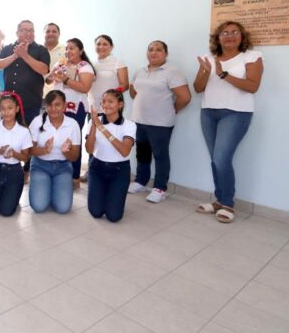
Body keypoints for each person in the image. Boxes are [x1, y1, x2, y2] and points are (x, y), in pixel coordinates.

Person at [193, 21, 263, 223]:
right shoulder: (208, 58)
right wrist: (206, 72)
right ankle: (219, 200)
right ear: (218, 37)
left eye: (234, 32)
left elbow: (252, 86)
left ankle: (227, 204)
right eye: (224, 32)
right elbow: (198, 88)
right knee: (215, 158)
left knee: (222, 158)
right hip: (208, 112)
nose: (229, 35)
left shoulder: (252, 56)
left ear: (242, 36)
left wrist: (223, 73)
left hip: (236, 113)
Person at [129, 41, 191, 203]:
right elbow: (133, 91)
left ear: (166, 54)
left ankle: (160, 188)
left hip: (160, 123)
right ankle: (141, 181)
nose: (153, 53)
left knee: (160, 155)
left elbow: (185, 97)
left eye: (158, 50)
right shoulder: (139, 72)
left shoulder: (172, 73)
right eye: (150, 49)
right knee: (142, 153)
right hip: (139, 120)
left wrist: (173, 109)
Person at [47, 38, 95, 187]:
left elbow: (84, 87)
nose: (68, 51)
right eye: (66, 48)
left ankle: (74, 176)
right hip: (57, 107)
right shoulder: (60, 64)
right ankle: (57, 171)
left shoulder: (84, 66)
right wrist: (51, 75)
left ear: (80, 50)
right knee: (57, 138)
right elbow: (49, 81)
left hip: (76, 108)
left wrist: (65, 79)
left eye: (72, 48)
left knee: (73, 141)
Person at [85, 90, 136, 223]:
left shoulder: (129, 125)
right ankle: (105, 194)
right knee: (96, 212)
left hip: (119, 170)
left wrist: (102, 128)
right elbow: (89, 149)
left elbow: (125, 151)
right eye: (103, 101)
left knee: (114, 216)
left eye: (111, 101)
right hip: (97, 168)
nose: (106, 105)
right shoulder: (94, 121)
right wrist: (94, 126)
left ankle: (112, 194)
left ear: (120, 105)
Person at [28, 90, 81, 213]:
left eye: (57, 104)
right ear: (45, 106)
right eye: (49, 105)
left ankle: (52, 187)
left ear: (65, 106)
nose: (53, 109)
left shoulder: (73, 124)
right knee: (39, 207)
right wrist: (44, 150)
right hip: (40, 166)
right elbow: (29, 151)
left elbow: (74, 157)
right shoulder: (37, 121)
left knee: (63, 208)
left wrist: (66, 152)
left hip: (63, 167)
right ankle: (46, 187)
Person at [0, 20, 50, 134]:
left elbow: (44, 69)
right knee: (8, 135)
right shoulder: (8, 48)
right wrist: (15, 56)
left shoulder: (41, 50)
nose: (29, 33)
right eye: (25, 30)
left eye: (31, 30)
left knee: (30, 136)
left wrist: (24, 55)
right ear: (17, 32)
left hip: (31, 104)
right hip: (9, 104)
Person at [0, 92, 33, 216]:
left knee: (6, 211)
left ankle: (12, 195)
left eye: (10, 108)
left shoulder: (24, 131)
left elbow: (26, 157)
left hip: (14, 172)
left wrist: (14, 154)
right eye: (3, 109)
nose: (6, 112)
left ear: (16, 109)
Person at [88, 35, 129, 113]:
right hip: (93, 107)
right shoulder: (90, 64)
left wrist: (111, 96)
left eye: (105, 44)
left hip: (111, 108)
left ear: (111, 47)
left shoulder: (118, 62)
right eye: (98, 44)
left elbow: (125, 85)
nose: (101, 47)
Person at [43, 23, 66, 99]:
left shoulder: (66, 50)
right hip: (38, 96)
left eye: (54, 31)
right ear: (44, 34)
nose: (51, 33)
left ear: (59, 34)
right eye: (48, 31)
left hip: (59, 96)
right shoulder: (37, 50)